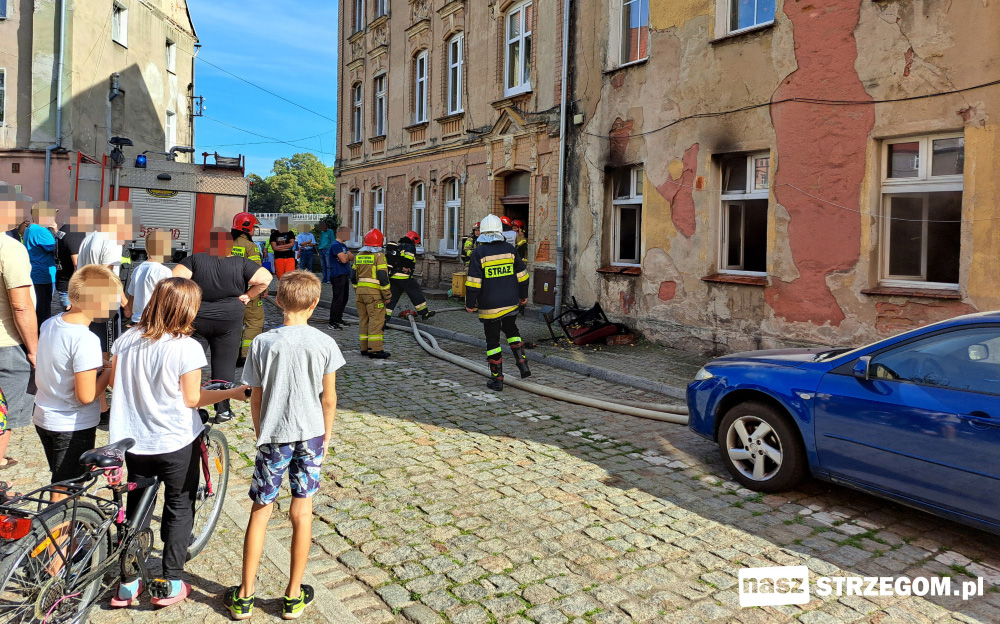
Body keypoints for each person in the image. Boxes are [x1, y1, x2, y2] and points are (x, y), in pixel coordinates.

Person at [108, 278, 249, 608]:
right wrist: (231, 393)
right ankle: (171, 580)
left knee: (136, 509)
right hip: (172, 440)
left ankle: (128, 582)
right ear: (188, 309)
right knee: (179, 505)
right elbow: (192, 399)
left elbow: (114, 381)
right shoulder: (187, 347)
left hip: (132, 440)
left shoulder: (127, 339)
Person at [224, 271, 343, 621]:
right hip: (311, 434)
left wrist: (261, 431)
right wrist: (327, 435)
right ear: (315, 302)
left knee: (260, 509)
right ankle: (293, 595)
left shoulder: (263, 342)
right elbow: (330, 399)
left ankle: (245, 595)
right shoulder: (324, 343)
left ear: (278, 301)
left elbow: (255, 397)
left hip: (274, 436)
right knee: (302, 511)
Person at [33, 265, 119, 484]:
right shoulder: (86, 339)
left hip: (44, 415)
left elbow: (62, 359)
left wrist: (96, 363)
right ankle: (60, 519)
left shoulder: (50, 323)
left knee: (60, 479)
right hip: (72, 424)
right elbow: (86, 396)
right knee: (68, 490)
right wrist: (107, 372)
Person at [173, 228, 272, 419]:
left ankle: (187, 403)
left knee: (189, 363)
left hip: (196, 319)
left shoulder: (195, 259)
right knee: (224, 364)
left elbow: (174, 280)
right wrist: (248, 296)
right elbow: (265, 278)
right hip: (228, 321)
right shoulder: (240, 262)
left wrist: (187, 299)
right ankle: (223, 409)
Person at [465, 214, 531, 391]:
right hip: (510, 302)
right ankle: (523, 364)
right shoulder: (510, 250)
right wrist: (523, 295)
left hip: (490, 305)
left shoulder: (479, 253)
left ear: (483, 233)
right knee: (512, 330)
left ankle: (498, 379)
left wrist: (470, 304)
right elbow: (523, 276)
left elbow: (473, 283)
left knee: (493, 341)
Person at [0, 188, 38, 469]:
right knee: (3, 418)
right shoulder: (9, 248)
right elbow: (21, 305)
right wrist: (35, 351)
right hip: (6, 345)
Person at [230, 213, 267, 365]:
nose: (254, 230)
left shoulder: (227, 244)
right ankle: (245, 356)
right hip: (248, 293)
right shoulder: (250, 247)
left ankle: (233, 353)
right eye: (253, 227)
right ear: (247, 228)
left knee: (235, 324)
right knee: (254, 322)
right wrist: (261, 290)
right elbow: (256, 272)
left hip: (230, 291)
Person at [351, 229, 391, 358]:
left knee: (364, 320)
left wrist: (357, 289)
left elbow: (352, 276)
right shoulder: (379, 256)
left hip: (360, 294)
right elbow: (382, 276)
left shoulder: (359, 255)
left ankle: (364, 348)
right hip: (374, 295)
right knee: (376, 321)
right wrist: (387, 295)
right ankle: (375, 349)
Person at [123, 230, 173, 326]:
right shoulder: (164, 271)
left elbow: (131, 300)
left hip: (136, 322)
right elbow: (168, 301)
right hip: (154, 324)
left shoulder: (137, 269)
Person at [385, 231, 435, 322]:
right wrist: (406, 267)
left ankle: (385, 317)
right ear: (413, 240)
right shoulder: (410, 247)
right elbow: (408, 258)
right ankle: (424, 313)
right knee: (415, 293)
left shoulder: (399, 246)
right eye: (416, 242)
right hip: (404, 277)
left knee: (392, 297)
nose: (416, 244)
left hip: (394, 276)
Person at [23, 204, 58, 329]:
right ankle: (41, 340)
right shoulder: (41, 230)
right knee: (43, 311)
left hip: (35, 274)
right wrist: (56, 231)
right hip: (43, 276)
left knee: (37, 308)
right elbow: (58, 249)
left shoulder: (30, 228)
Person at [55, 203, 93, 311]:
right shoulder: (73, 233)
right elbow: (77, 264)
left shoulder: (64, 229)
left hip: (64, 282)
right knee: (75, 323)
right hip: (71, 288)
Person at [327, 226, 353, 329]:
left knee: (344, 298)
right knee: (337, 299)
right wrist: (346, 256)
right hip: (337, 275)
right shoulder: (336, 245)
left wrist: (346, 255)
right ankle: (332, 322)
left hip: (345, 274)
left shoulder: (343, 246)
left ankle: (339, 318)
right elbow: (344, 260)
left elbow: (351, 257)